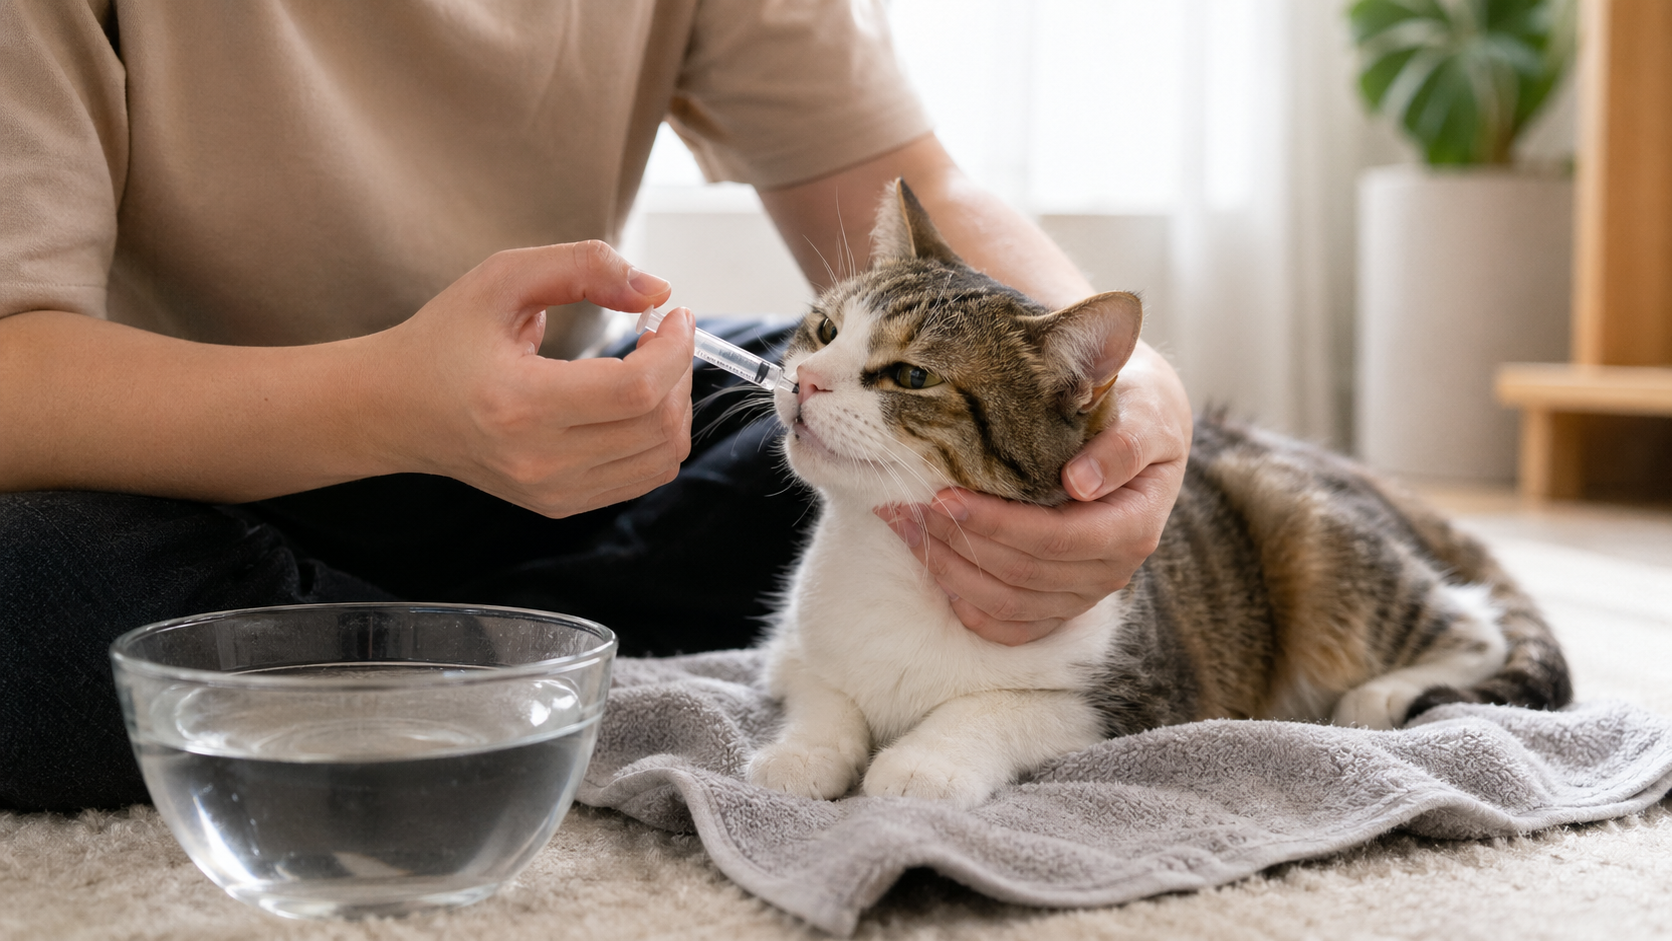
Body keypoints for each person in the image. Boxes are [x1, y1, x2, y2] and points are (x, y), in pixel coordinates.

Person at [0, 0, 1192, 812]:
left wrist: (1129, 406)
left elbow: (916, 189)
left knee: (827, 396)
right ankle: (560, 651)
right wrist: (392, 405)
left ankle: (413, 657)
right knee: (32, 593)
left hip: (558, 449)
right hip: (179, 476)